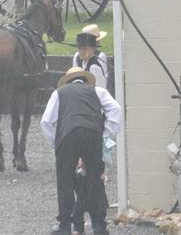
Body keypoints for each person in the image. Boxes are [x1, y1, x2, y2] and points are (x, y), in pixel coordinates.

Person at [41, 67, 121, 235]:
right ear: (84, 80)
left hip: (68, 135)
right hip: (92, 134)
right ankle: (99, 225)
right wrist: (104, 133)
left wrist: (57, 142)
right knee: (94, 179)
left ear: (67, 81)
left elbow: (46, 121)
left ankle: (64, 226)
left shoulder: (59, 93)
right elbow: (115, 110)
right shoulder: (98, 91)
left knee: (65, 181)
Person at [72, 24, 108, 89]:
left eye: (85, 48)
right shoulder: (77, 57)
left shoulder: (96, 64)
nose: (81, 51)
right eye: (79, 48)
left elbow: (101, 85)